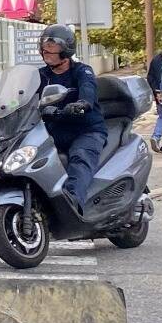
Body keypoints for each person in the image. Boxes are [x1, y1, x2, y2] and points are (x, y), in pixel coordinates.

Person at [37, 23, 103, 211]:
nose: (46, 50)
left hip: (85, 130)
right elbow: (22, 95)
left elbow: (88, 90)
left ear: (66, 49)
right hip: (53, 131)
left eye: (52, 45)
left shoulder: (82, 71)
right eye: (44, 45)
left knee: (80, 157)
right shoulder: (41, 75)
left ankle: (73, 205)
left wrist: (81, 104)